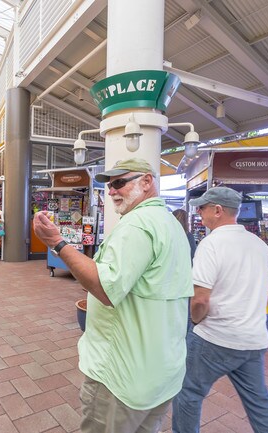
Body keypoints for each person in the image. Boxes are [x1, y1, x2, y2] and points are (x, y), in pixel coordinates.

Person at [33, 158, 192, 433]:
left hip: (122, 377)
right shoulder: (170, 224)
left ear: (146, 182)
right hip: (161, 373)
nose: (112, 190)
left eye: (119, 182)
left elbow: (106, 287)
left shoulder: (137, 225)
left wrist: (57, 243)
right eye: (109, 184)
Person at [172, 187, 268, 433]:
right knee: (260, 402)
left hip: (215, 338)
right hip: (253, 340)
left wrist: (196, 323)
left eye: (203, 208)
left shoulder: (212, 243)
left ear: (218, 210)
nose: (199, 213)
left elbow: (200, 299)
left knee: (188, 393)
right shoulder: (259, 245)